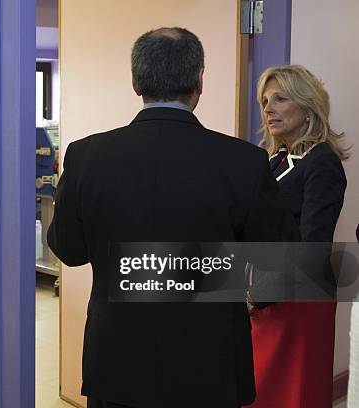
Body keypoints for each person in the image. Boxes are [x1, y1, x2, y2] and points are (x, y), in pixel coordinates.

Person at [48, 27, 298, 408]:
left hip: (117, 361)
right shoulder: (244, 162)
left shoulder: (86, 157)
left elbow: (70, 249)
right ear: (199, 81)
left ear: (136, 82)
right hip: (209, 364)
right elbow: (276, 268)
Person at [248, 65, 347, 408]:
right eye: (264, 101)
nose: (268, 108)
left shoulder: (322, 163)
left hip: (298, 301)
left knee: (292, 395)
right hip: (266, 296)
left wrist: (258, 295)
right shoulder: (276, 160)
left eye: (280, 98)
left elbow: (312, 247)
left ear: (306, 106)